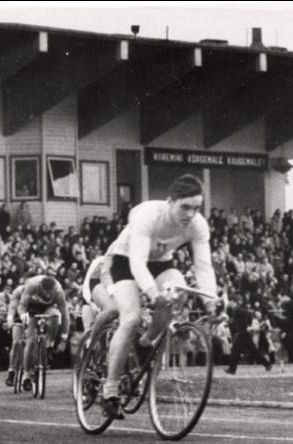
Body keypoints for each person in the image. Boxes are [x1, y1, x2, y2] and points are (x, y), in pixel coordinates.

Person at [101, 174, 217, 420]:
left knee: (180, 292)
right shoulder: (146, 215)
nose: (190, 214)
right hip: (124, 261)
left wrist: (211, 302)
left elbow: (204, 267)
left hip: (161, 263)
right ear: (170, 202)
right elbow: (137, 263)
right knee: (130, 318)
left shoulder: (198, 225)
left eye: (196, 208)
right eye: (184, 207)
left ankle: (146, 343)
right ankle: (110, 390)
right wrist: (153, 293)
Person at [16, 274, 70, 392]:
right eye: (45, 292)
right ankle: (26, 375)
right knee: (30, 341)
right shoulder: (32, 285)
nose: (48, 295)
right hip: (32, 307)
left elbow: (65, 316)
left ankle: (49, 344)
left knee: (55, 315)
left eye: (50, 293)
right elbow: (22, 305)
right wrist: (22, 314)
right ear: (41, 287)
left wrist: (63, 340)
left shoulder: (59, 291)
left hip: (49, 307)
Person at [224, 297, 271, 375]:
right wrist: (229, 324)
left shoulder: (237, 309)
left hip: (242, 333)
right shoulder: (236, 310)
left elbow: (248, 314)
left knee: (235, 350)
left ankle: (232, 369)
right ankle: (267, 364)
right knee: (254, 351)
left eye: (230, 302)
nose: (229, 303)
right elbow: (239, 321)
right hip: (244, 333)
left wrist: (248, 325)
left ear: (233, 302)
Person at [80, 255, 118, 342]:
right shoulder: (99, 261)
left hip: (105, 301)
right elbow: (86, 285)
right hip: (89, 301)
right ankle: (89, 345)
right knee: (89, 333)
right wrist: (91, 303)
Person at [3, 283, 25, 387]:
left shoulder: (37, 291)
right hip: (19, 317)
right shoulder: (18, 291)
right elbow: (12, 307)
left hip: (32, 315)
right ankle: (11, 371)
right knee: (16, 342)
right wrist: (10, 318)